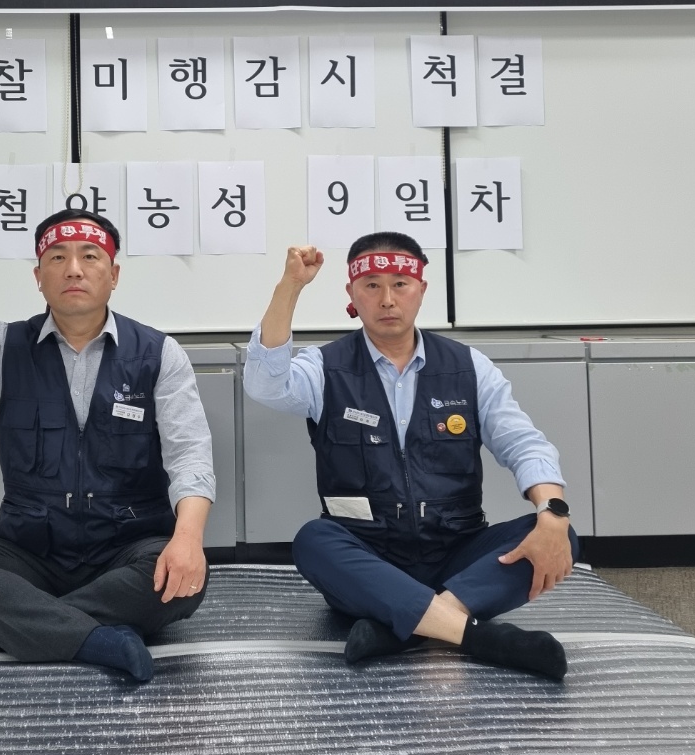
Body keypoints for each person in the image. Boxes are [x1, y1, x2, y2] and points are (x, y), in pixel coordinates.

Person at [0, 209, 216, 683]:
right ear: (39, 278)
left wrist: (187, 540)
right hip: (31, 553)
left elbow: (190, 456)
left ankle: (6, 630)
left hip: (126, 549)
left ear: (114, 275)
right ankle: (95, 637)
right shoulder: (3, 347)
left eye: (90, 256)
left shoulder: (159, 354)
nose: (74, 269)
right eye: (57, 257)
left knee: (185, 578)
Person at [244, 233, 577, 680]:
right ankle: (479, 637)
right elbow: (265, 384)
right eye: (372, 286)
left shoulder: (468, 366)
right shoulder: (325, 368)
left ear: (421, 289)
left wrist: (552, 513)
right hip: (370, 559)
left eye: (400, 284)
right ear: (351, 294)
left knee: (558, 533)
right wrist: (291, 286)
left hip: (456, 552)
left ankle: (408, 627)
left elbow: (524, 443)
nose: (387, 299)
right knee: (314, 541)